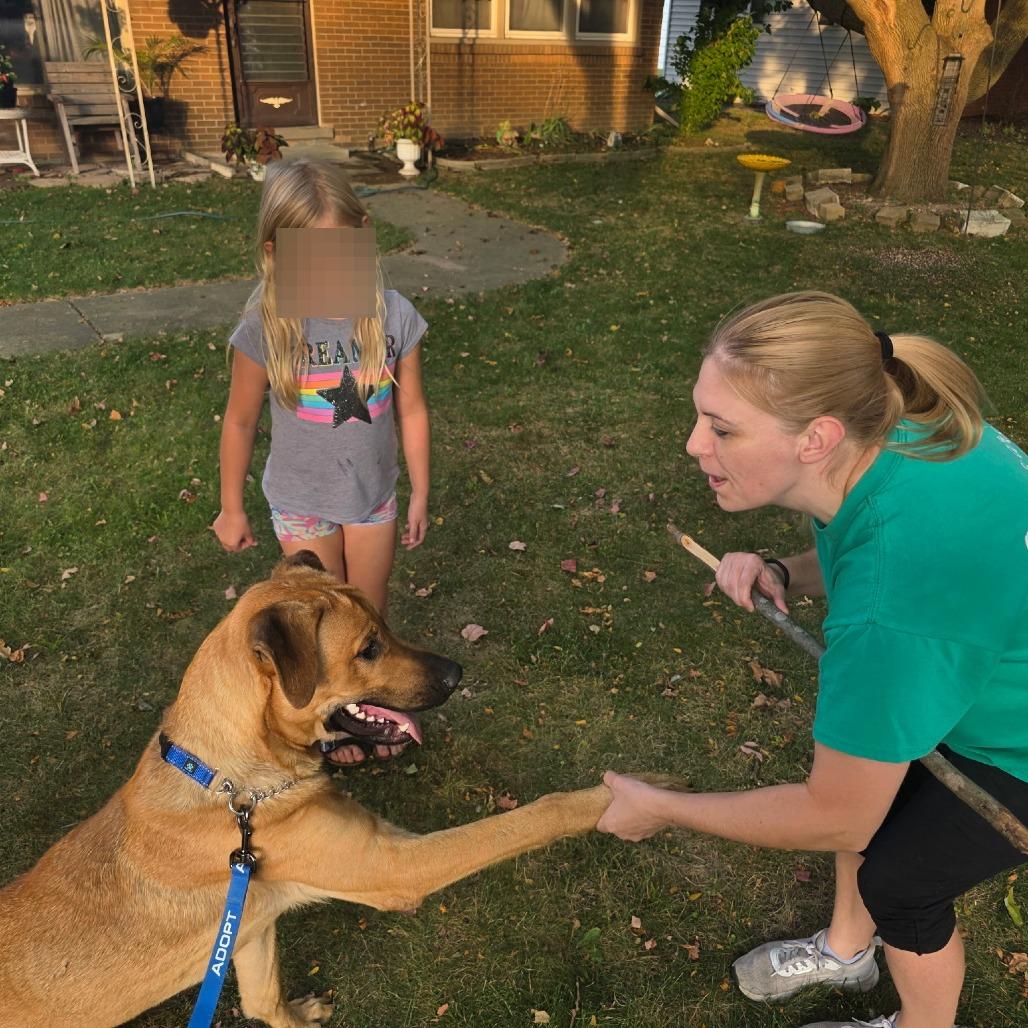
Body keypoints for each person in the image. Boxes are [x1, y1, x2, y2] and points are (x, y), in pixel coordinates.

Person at [597, 291, 1028, 1028]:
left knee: (899, 877)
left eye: (722, 428)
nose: (694, 445)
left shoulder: (891, 612)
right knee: (871, 771)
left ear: (815, 438)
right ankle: (847, 951)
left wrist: (663, 808)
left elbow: (837, 816)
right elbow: (864, 545)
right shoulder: (899, 421)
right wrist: (783, 570)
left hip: (1013, 740)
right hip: (973, 665)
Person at [213, 157, 430, 767]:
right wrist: (231, 506)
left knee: (369, 614)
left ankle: (373, 712)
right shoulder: (266, 324)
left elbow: (412, 410)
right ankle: (331, 728)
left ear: (363, 234)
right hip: (302, 505)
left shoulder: (393, 316)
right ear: (277, 254)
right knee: (318, 630)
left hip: (373, 498)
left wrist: (419, 493)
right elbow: (239, 419)